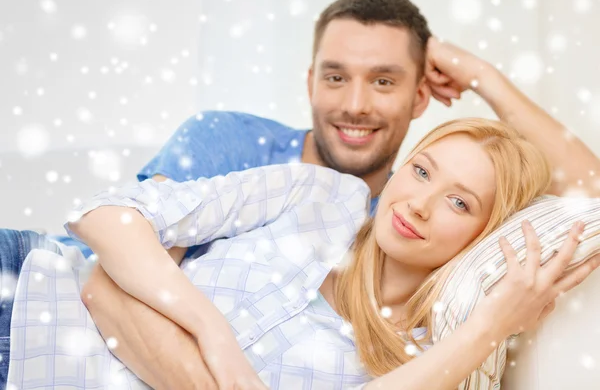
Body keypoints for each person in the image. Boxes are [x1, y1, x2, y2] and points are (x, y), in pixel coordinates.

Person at [1, 0, 600, 385]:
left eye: (385, 80)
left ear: (420, 96)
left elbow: (589, 195)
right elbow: (111, 265)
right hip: (35, 290)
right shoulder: (280, 173)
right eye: (337, 77)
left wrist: (483, 77)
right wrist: (212, 333)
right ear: (310, 81)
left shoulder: (411, 328)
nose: (356, 104)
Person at [6, 118, 600, 390]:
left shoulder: (417, 361)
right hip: (26, 292)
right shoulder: (326, 196)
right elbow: (105, 216)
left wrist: (491, 327)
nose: (418, 203)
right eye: (420, 170)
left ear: (484, 237)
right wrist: (212, 333)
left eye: (459, 203)